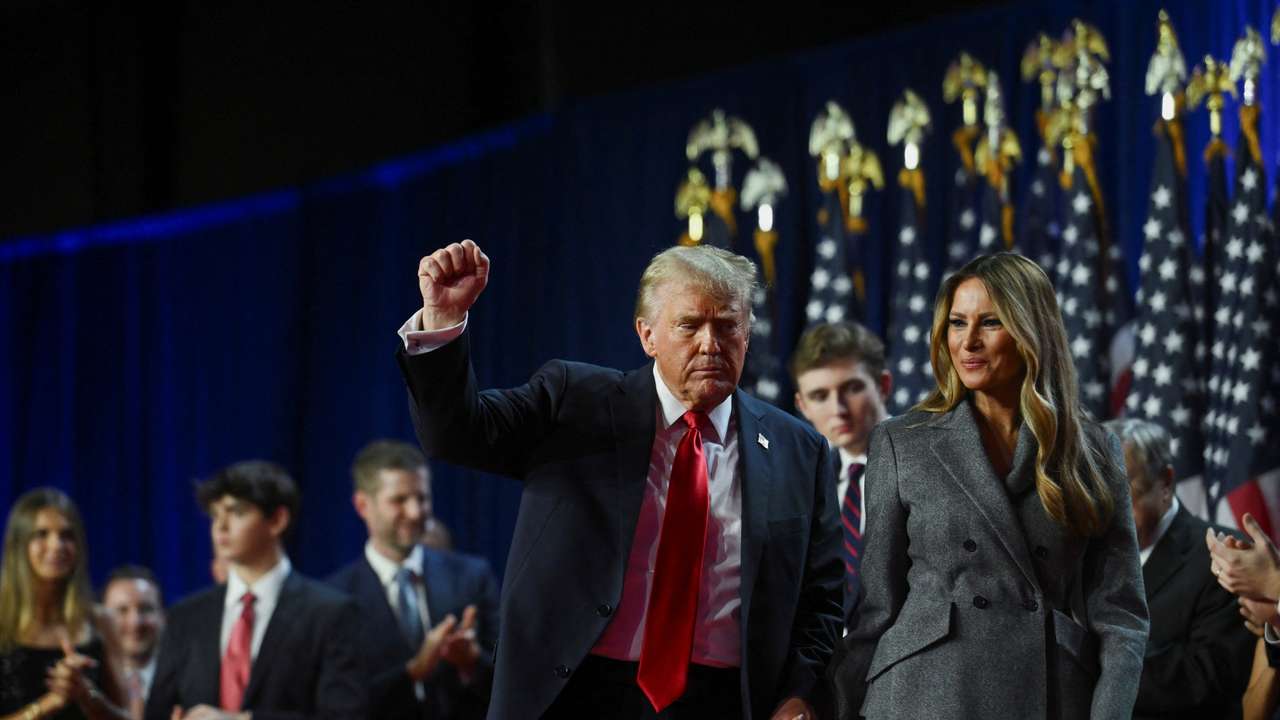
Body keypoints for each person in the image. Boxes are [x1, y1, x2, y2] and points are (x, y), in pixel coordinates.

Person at [398, 239, 842, 719]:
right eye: (689, 325)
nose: (710, 343)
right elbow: (457, 436)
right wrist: (442, 321)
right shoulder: (574, 402)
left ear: (748, 334)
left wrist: (800, 692)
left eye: (727, 325)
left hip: (724, 701)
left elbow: (821, 602)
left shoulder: (800, 450)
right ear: (647, 335)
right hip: (577, 691)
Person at [831, 252, 1149, 719]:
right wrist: (830, 704)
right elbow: (877, 606)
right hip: (921, 693)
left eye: (991, 323)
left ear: (1029, 331)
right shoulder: (903, 441)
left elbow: (1121, 616)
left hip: (1048, 691)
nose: (969, 342)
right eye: (957, 323)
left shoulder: (1093, 447)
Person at [144, 461, 368, 720]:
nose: (221, 527)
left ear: (277, 520)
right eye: (216, 515)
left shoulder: (332, 613)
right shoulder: (186, 616)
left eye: (236, 512)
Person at [327, 439, 499, 720]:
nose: (416, 512)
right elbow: (340, 705)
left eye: (422, 498)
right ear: (362, 505)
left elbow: (514, 680)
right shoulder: (335, 597)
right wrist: (413, 671)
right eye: (399, 500)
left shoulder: (472, 577)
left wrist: (472, 661)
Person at [1103, 418, 1252, 718]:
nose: (1106, 509)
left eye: (1122, 491)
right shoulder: (1079, 555)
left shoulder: (1225, 554)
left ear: (1166, 482)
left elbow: (1209, 676)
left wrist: (1095, 670)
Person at [790, 321, 892, 630]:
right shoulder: (805, 484)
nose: (839, 409)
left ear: (883, 386)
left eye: (852, 388)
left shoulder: (927, 466)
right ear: (802, 406)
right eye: (820, 396)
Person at [0, 488, 129, 720]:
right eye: (41, 534)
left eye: (67, 535)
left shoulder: (99, 620)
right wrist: (50, 703)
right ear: (19, 545)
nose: (56, 545)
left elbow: (128, 717)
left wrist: (87, 696)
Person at [100, 566, 166, 719]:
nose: (135, 622)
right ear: (102, 621)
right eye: (122, 611)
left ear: (163, 616)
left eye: (146, 609)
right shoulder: (91, 684)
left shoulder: (187, 679)